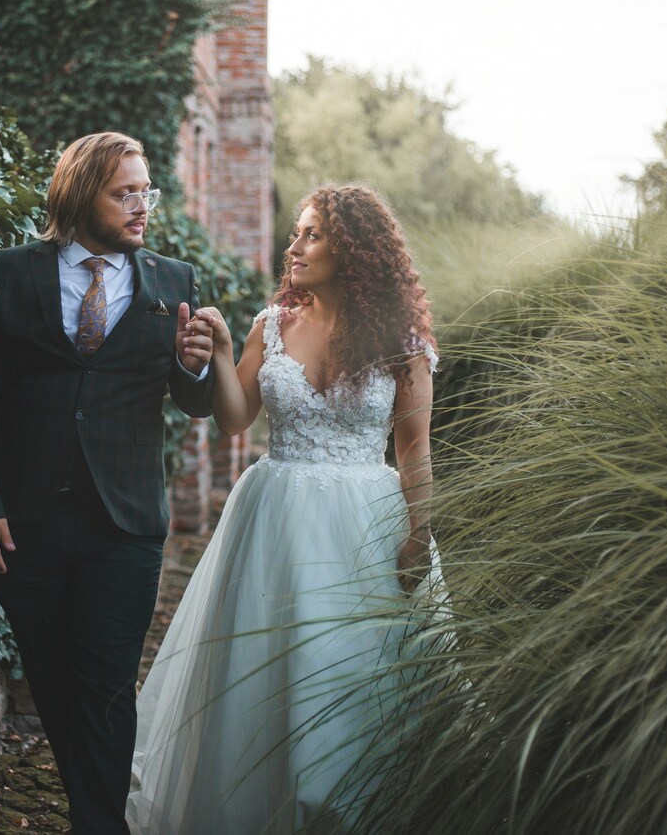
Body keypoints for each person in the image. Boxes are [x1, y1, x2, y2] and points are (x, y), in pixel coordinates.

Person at [127, 184, 446, 834]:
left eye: (312, 235)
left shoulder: (402, 342)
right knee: (263, 679)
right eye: (296, 233)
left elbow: (415, 450)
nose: (293, 247)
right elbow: (235, 418)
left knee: (350, 678)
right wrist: (219, 353)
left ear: (354, 251)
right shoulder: (271, 326)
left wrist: (418, 534)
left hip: (365, 525)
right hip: (274, 517)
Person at [0, 131, 217, 835]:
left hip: (124, 522)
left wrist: (195, 366)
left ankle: (99, 826)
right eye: (124, 192)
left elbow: (194, 402)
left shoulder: (174, 281)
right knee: (52, 682)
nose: (141, 206)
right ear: (79, 195)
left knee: (103, 688)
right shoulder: (12, 274)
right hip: (24, 521)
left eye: (146, 191)